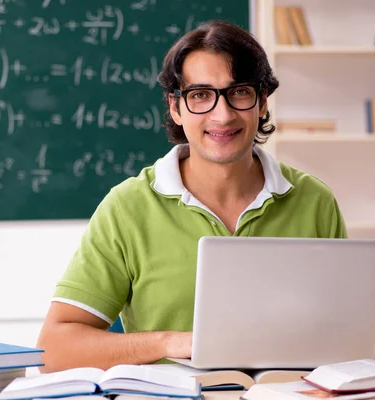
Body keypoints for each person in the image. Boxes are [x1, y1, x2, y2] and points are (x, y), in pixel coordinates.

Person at [36, 20, 347, 372]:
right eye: (200, 95)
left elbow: (344, 339)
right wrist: (171, 342)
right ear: (175, 107)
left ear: (261, 102)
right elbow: (54, 350)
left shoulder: (315, 201)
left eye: (239, 92)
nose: (222, 114)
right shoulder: (128, 208)